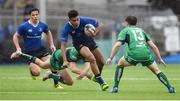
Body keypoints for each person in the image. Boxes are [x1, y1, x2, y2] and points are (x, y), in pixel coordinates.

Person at [106, 16, 175, 93]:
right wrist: (159, 58)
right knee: (157, 70)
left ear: (127, 23)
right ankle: (170, 88)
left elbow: (117, 45)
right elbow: (153, 46)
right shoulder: (141, 31)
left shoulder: (125, 30)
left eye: (124, 22)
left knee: (120, 64)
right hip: (146, 55)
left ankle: (115, 87)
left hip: (133, 55)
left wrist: (110, 58)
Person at [12, 8, 61, 88]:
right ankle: (32, 72)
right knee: (37, 72)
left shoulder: (43, 25)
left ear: (39, 15)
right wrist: (18, 48)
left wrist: (52, 44)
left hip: (41, 50)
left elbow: (48, 32)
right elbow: (15, 36)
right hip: (29, 53)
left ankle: (56, 84)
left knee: (53, 63)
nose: (35, 16)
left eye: (36, 14)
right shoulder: (24, 26)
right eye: (33, 15)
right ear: (29, 16)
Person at [60, 9, 108, 91]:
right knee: (91, 58)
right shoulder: (66, 28)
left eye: (78, 19)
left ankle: (97, 76)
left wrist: (95, 33)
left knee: (101, 61)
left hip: (90, 41)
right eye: (74, 20)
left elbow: (101, 24)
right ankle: (101, 81)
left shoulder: (85, 20)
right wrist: (65, 60)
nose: (77, 22)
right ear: (70, 20)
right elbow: (63, 45)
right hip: (79, 45)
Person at [10, 47, 94, 87]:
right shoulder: (75, 53)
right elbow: (73, 68)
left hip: (57, 55)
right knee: (70, 82)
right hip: (57, 60)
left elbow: (87, 64)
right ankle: (51, 75)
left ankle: (21, 54)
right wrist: (85, 74)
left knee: (42, 65)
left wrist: (85, 73)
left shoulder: (86, 52)